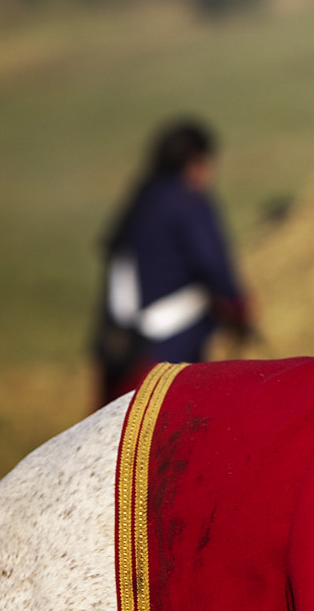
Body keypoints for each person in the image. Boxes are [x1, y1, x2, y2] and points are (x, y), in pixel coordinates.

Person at [92, 117, 253, 406]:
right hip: (168, 346)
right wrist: (239, 308)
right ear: (196, 162)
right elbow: (213, 263)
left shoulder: (141, 197)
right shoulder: (189, 202)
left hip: (118, 347)